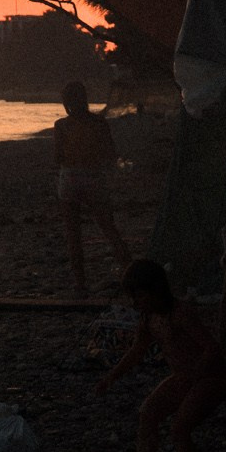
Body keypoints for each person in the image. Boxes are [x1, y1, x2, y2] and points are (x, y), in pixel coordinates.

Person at [90, 259, 226, 452]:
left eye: (140, 296)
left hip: (209, 378)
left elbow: (211, 347)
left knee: (180, 429)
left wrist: (197, 372)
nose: (136, 302)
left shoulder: (180, 313)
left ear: (155, 290)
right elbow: (137, 352)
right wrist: (111, 377)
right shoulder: (148, 318)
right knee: (148, 414)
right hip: (182, 378)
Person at [53, 81, 131, 297]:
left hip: (69, 178)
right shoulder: (99, 123)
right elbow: (109, 152)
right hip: (93, 178)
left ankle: (80, 284)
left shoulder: (61, 125)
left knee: (73, 234)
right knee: (108, 228)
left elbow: (58, 157)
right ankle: (129, 271)